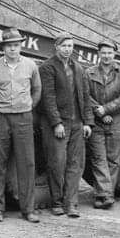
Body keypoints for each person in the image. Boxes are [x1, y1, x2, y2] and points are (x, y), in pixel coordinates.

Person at [0, 28, 42, 223]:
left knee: (26, 163)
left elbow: (36, 90)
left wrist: (27, 107)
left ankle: (28, 209)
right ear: (3, 48)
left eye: (16, 45)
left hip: (23, 118)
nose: (13, 49)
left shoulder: (30, 66)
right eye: (9, 46)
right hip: (0, 118)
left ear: (21, 46)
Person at [38, 33, 94, 218]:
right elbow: (48, 98)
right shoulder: (47, 67)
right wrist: (56, 123)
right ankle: (57, 202)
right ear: (56, 47)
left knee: (75, 164)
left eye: (70, 46)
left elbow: (85, 97)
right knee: (57, 163)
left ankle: (71, 204)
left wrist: (87, 122)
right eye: (64, 46)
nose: (68, 49)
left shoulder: (79, 69)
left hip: (77, 123)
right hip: (59, 124)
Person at [84, 39, 120, 209]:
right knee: (98, 158)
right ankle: (104, 194)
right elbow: (85, 95)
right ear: (98, 54)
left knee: (113, 159)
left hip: (117, 120)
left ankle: (104, 194)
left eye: (110, 53)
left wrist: (107, 109)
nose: (106, 56)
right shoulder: (89, 73)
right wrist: (100, 111)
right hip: (97, 120)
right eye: (103, 52)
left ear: (115, 54)